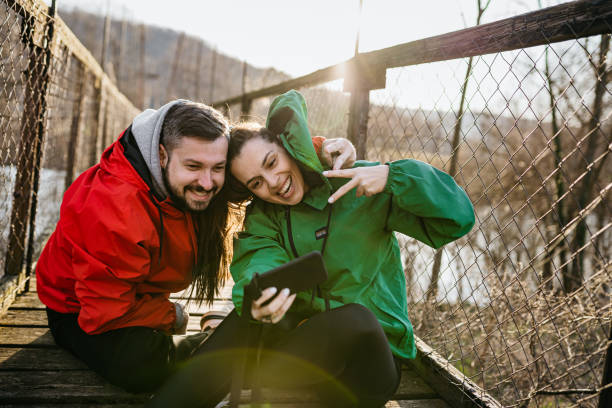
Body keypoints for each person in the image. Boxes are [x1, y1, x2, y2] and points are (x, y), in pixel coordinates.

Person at [147, 90, 475, 407]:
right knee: (246, 314)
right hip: (307, 357)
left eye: (272, 162)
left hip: (368, 365)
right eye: (256, 183)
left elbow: (457, 218)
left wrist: (393, 177)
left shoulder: (358, 183)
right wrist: (259, 298)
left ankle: (217, 360)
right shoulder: (265, 216)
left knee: (356, 320)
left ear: (289, 147)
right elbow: (257, 262)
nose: (273, 182)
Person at [35, 98, 356, 394]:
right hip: (78, 307)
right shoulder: (115, 211)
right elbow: (105, 314)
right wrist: (171, 316)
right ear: (162, 155)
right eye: (193, 167)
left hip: (136, 289)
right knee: (141, 367)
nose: (207, 182)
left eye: (217, 168)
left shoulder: (198, 168)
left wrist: (318, 151)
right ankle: (208, 340)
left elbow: (257, 159)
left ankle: (215, 338)